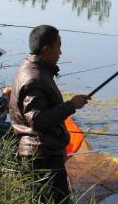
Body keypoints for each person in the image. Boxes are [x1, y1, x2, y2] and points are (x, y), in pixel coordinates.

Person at [9, 25, 89, 204]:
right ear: (46, 50)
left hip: (40, 152)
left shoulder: (34, 68)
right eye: (58, 46)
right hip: (41, 156)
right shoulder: (34, 78)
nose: (61, 52)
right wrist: (70, 105)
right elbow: (37, 119)